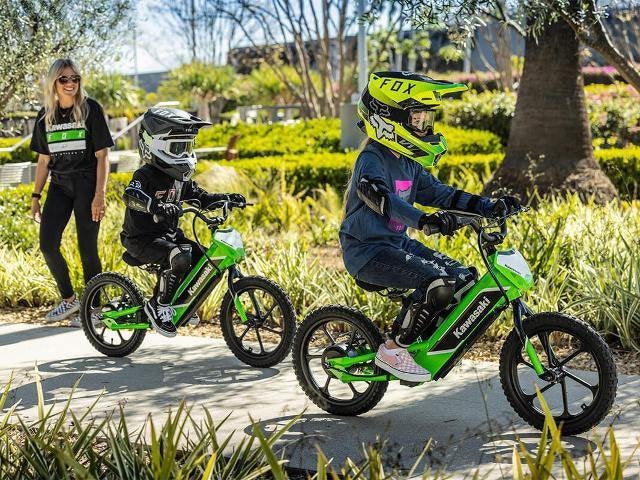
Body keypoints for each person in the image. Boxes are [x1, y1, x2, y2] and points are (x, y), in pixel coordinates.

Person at [340, 71, 521, 382]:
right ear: (389, 119)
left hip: (396, 244)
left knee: (463, 279)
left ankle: (430, 345)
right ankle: (393, 350)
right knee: (437, 282)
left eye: (425, 118)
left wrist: (488, 206)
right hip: (366, 251)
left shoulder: (408, 162)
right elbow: (380, 198)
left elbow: (440, 194)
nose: (423, 124)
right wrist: (423, 220)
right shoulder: (372, 159)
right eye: (416, 117)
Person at [120, 107, 245, 337]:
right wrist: (155, 206)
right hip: (141, 239)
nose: (186, 153)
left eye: (188, 146)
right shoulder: (145, 175)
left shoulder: (179, 179)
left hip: (168, 237)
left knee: (201, 258)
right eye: (179, 147)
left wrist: (226, 198)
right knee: (179, 255)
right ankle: (158, 307)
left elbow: (201, 198)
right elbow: (130, 196)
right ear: (156, 146)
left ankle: (182, 302)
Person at [30, 58, 113, 326]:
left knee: (87, 247)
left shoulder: (91, 109)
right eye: (64, 79)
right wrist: (35, 196)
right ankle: (69, 300)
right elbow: (43, 161)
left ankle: (95, 309)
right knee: (47, 244)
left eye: (75, 78)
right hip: (59, 186)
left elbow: (103, 156)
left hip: (87, 185)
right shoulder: (45, 116)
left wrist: (100, 194)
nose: (70, 83)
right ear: (54, 82)